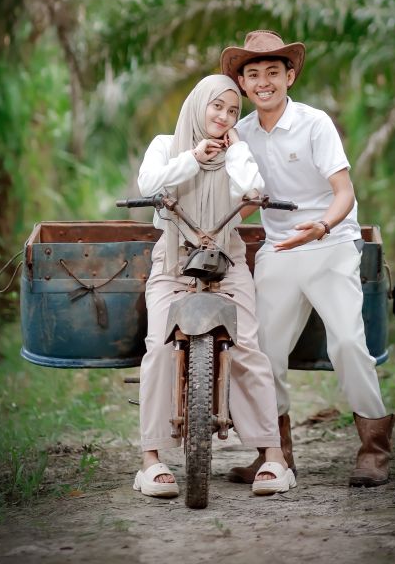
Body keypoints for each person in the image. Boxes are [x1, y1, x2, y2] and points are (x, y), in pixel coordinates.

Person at [220, 31, 395, 488]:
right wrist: (213, 222)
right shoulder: (241, 134)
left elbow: (344, 192)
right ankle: (275, 455)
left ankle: (374, 451)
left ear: (290, 77)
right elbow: (247, 201)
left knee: (349, 344)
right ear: (243, 84)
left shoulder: (314, 123)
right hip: (278, 249)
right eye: (253, 74)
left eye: (272, 72)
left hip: (330, 244)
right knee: (263, 353)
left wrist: (321, 226)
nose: (263, 82)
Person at [133, 73, 296, 498]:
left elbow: (252, 190)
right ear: (198, 105)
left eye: (233, 111)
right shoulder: (165, 145)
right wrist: (192, 157)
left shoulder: (237, 153)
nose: (224, 116)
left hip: (228, 259)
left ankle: (274, 457)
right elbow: (149, 184)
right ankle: (151, 460)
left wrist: (236, 149)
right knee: (158, 347)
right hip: (174, 260)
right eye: (217, 106)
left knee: (248, 348)